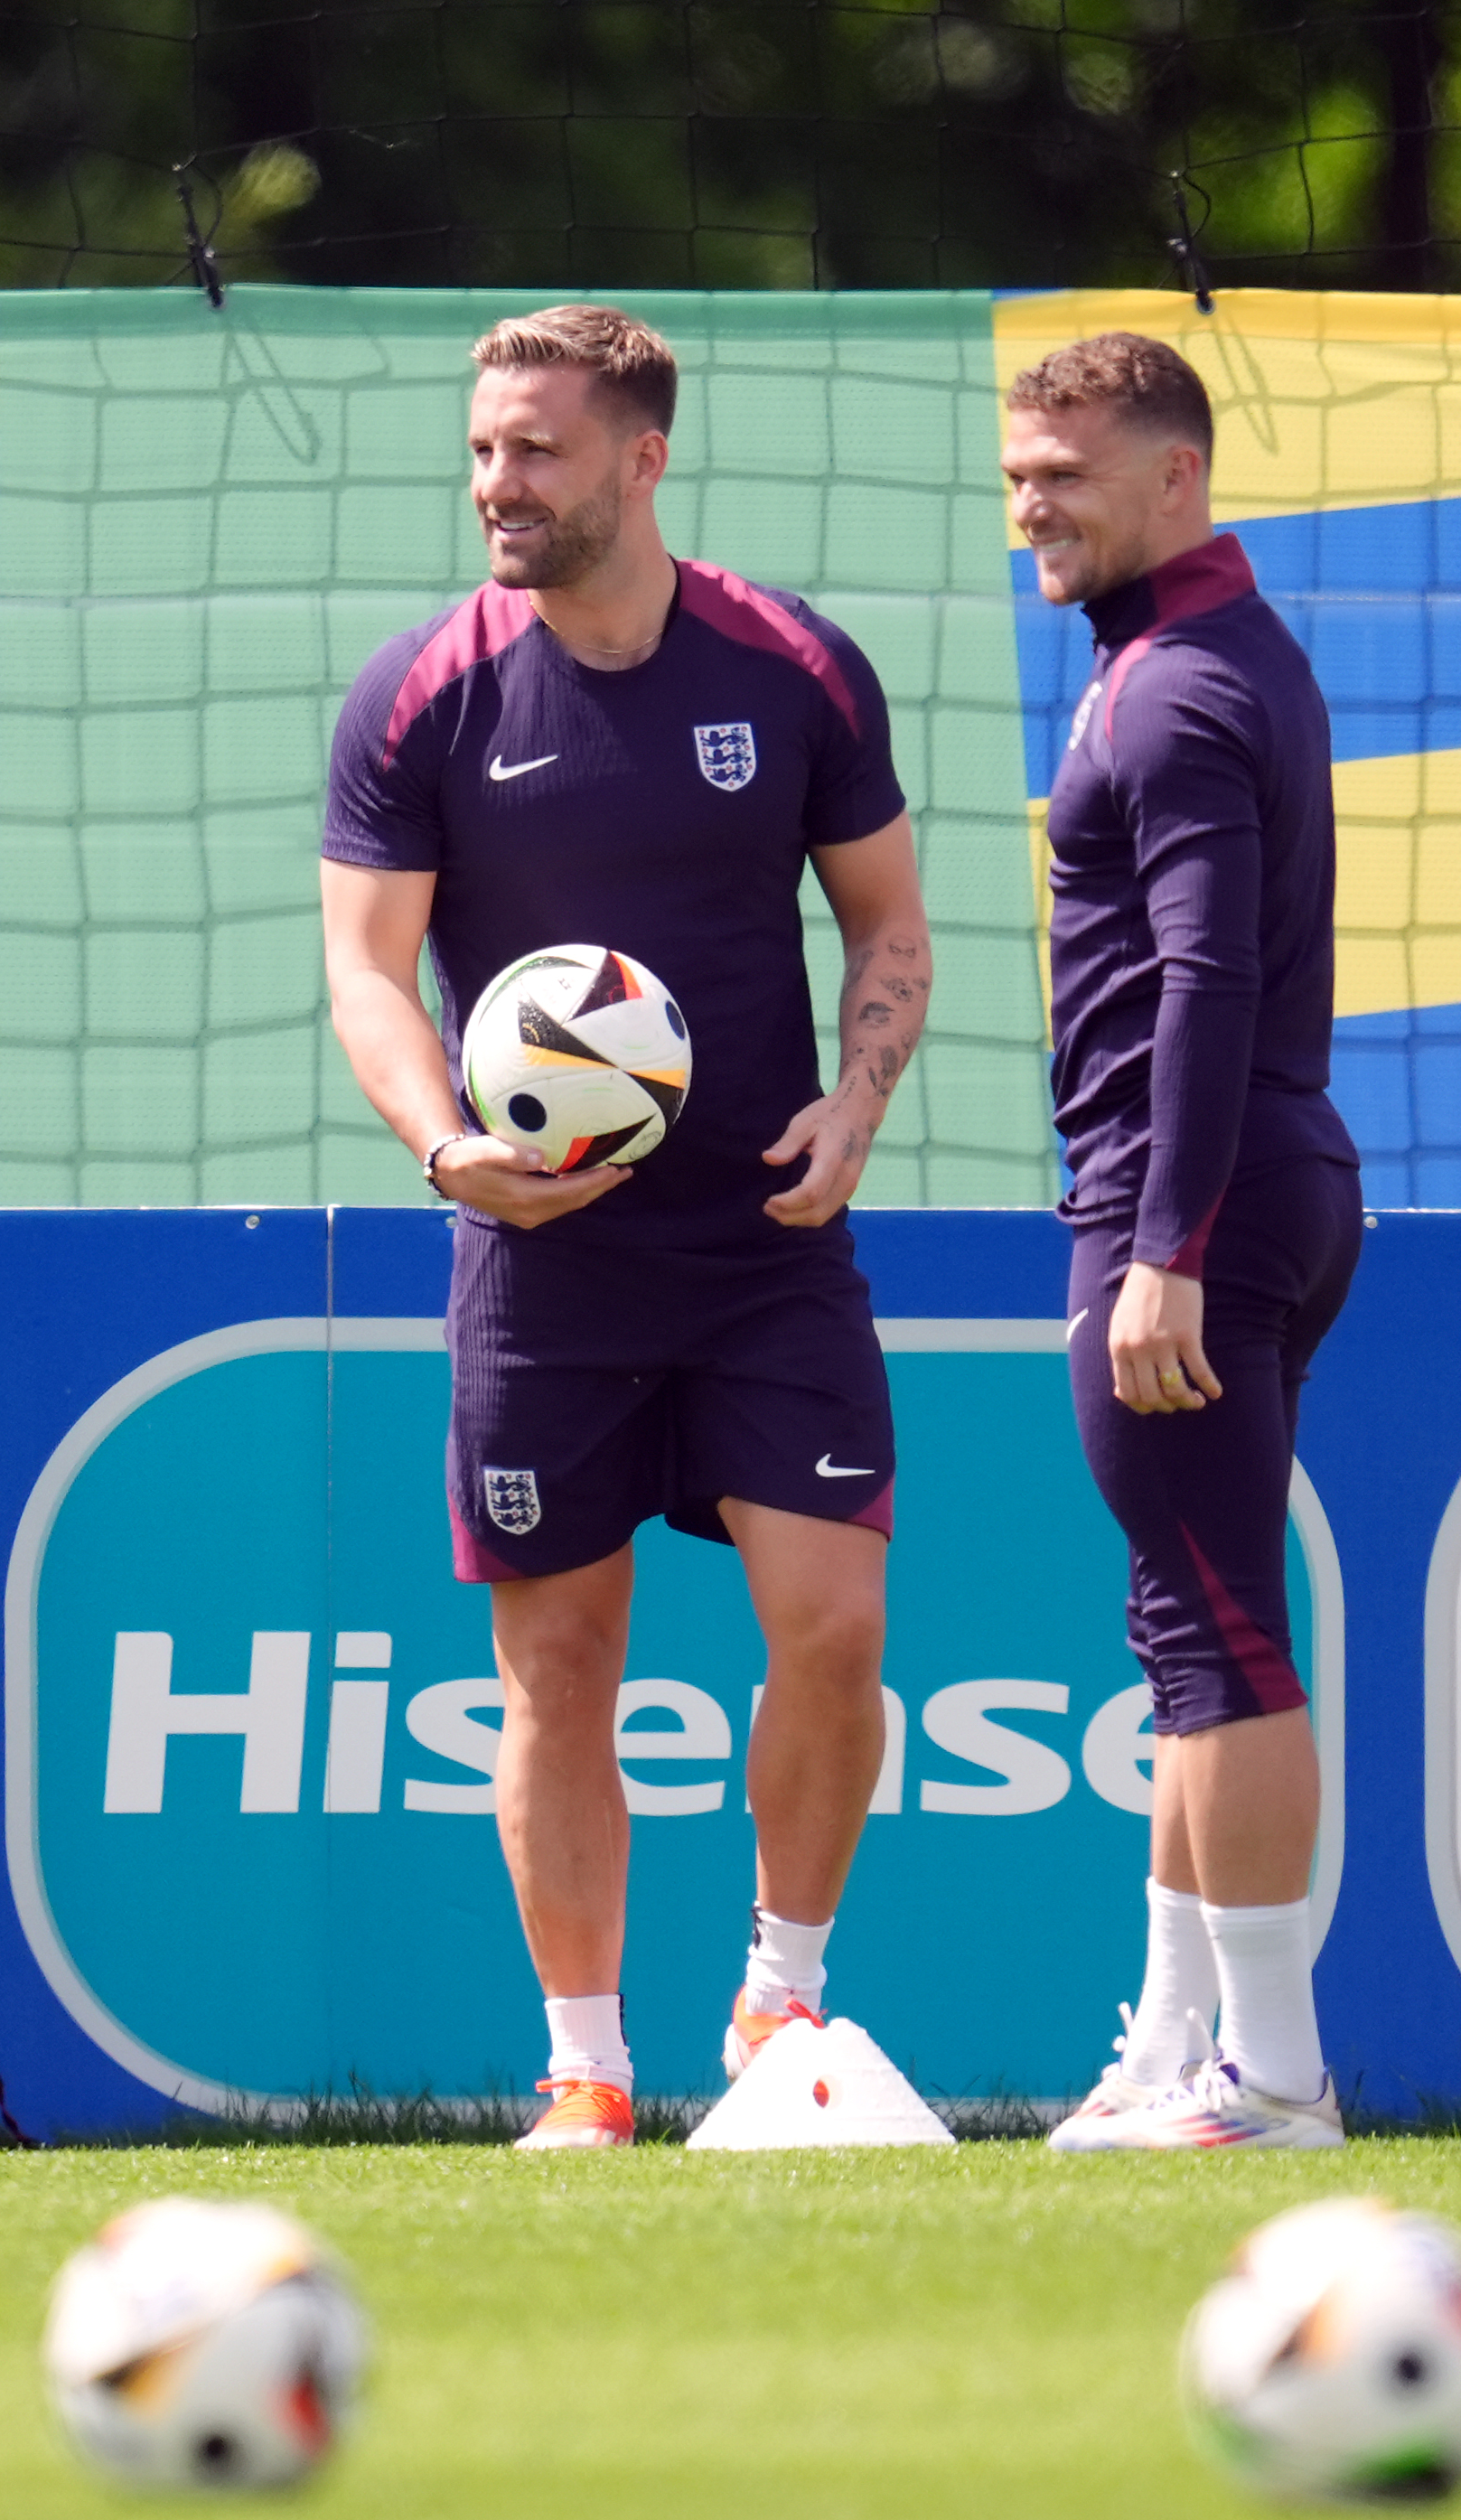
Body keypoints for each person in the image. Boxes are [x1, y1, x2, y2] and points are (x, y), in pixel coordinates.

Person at [320, 304, 932, 2150]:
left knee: (832, 1627)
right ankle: (585, 2069)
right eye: (486, 446)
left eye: (538, 451)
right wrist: (446, 1148)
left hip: (765, 1243)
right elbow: (364, 968)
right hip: (541, 1262)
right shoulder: (424, 691)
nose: (497, 482)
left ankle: (781, 2006)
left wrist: (860, 1099)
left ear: (642, 459)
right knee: (558, 1666)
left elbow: (889, 930)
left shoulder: (795, 666)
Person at [1000, 333, 1360, 2152]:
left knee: (1222, 1640)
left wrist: (1166, 1245)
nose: (1029, 504)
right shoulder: (1203, 659)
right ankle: (1172, 2046)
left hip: (1192, 1197)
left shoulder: (1176, 690)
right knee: (1188, 1627)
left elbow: (1208, 971)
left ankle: (1274, 2081)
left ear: (1178, 477)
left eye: (1064, 473)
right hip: (1241, 1181)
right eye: (1018, 475)